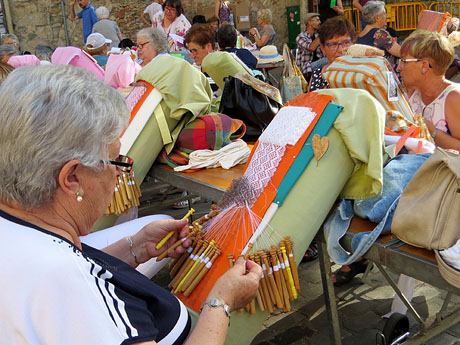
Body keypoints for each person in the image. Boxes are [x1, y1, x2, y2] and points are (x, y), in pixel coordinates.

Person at [0, 64, 262, 344]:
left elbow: (81, 262)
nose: (119, 172)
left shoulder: (20, 224)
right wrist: (220, 302)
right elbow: (79, 279)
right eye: (115, 161)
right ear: (72, 178)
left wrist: (135, 248)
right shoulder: (75, 291)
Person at [398, 30, 460, 151]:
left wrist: (431, 130)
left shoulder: (453, 97)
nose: (399, 67)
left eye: (404, 61)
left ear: (424, 66)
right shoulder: (412, 92)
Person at [308, 16, 356, 92]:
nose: (341, 50)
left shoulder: (358, 75)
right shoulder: (317, 75)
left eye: (346, 43)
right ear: (323, 48)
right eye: (333, 45)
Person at [296, 13, 324, 82]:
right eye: (317, 20)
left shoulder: (317, 34)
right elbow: (311, 47)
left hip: (319, 64)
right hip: (307, 67)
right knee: (328, 61)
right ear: (310, 22)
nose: (319, 22)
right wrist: (322, 34)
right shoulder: (300, 37)